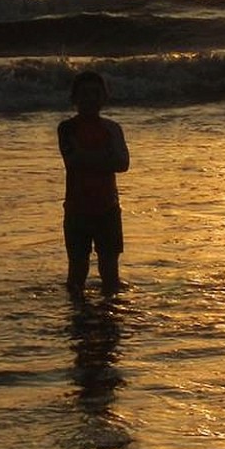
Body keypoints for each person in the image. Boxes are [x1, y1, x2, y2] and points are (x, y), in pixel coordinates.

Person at [57, 70, 129, 300]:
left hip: (108, 209)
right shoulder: (67, 128)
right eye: (84, 94)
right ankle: (78, 318)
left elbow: (122, 163)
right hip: (77, 210)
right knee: (77, 273)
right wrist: (104, 158)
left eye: (95, 94)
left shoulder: (112, 128)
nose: (90, 99)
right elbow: (74, 160)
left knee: (110, 275)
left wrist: (92, 158)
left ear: (104, 98)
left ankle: (110, 317)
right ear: (74, 98)